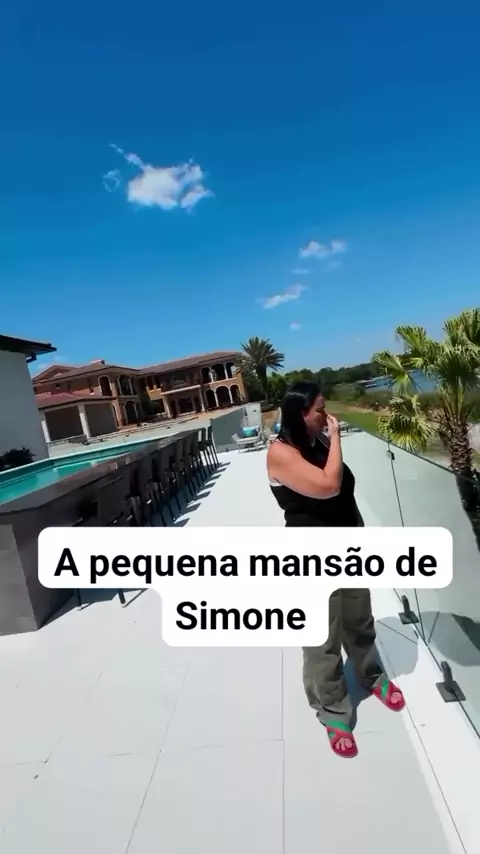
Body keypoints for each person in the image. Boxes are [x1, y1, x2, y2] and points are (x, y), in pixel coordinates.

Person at [266, 381, 405, 758]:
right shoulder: (280, 453)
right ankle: (332, 709)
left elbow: (346, 492)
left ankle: (370, 674)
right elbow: (329, 485)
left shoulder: (317, 441)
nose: (327, 416)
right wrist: (337, 438)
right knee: (321, 638)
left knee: (359, 617)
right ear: (301, 414)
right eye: (320, 410)